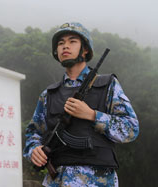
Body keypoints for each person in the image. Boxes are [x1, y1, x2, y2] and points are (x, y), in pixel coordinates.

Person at [23, 22, 139, 186]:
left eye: (72, 41)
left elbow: (131, 129)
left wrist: (92, 115)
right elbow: (33, 133)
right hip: (56, 180)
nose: (65, 46)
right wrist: (34, 150)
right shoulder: (48, 95)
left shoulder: (107, 85)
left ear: (85, 49)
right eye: (61, 43)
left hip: (96, 180)